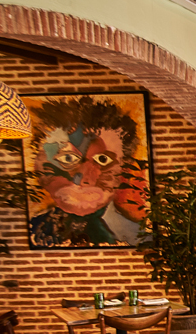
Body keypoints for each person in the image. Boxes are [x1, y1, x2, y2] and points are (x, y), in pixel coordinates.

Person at [28, 95, 147, 247]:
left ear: (124, 168)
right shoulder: (35, 229)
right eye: (67, 159)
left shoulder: (138, 236)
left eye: (103, 160)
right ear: (38, 165)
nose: (84, 178)